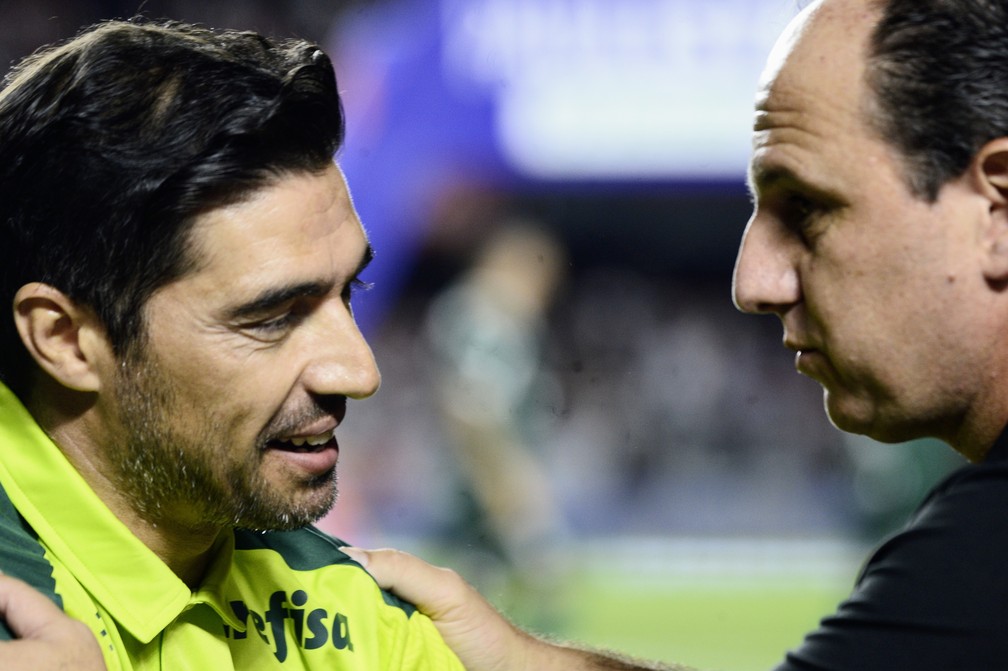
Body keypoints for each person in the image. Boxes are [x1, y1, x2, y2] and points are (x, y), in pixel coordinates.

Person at [342, 0, 1008, 669]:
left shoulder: (983, 545)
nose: (751, 283)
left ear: (998, 213)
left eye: (807, 208)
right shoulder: (970, 552)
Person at [0, 18, 463, 671]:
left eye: (348, 292)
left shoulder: (337, 599)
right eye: (273, 316)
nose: (358, 370)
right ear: (66, 340)